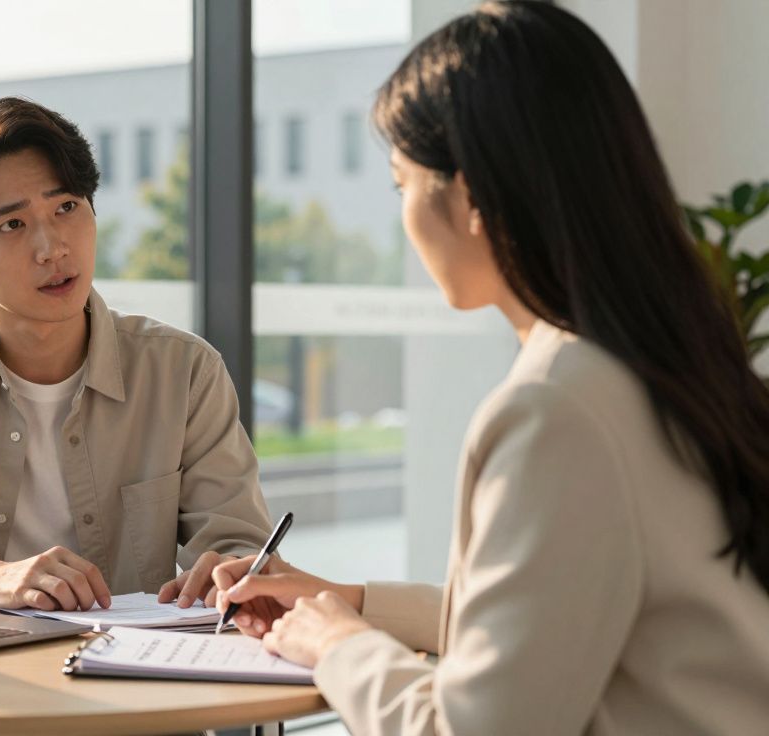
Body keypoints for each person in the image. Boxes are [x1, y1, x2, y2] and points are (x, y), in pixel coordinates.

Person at [213, 3, 769, 734]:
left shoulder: (558, 407)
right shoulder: (670, 361)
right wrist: (353, 602)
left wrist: (339, 646)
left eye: (401, 183)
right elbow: (557, 617)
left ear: (470, 195)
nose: (403, 214)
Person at [0, 97, 272, 614]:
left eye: (66, 208)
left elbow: (241, 547)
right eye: (12, 225)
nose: (53, 248)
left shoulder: (184, 372)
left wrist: (233, 572)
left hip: (130, 671)